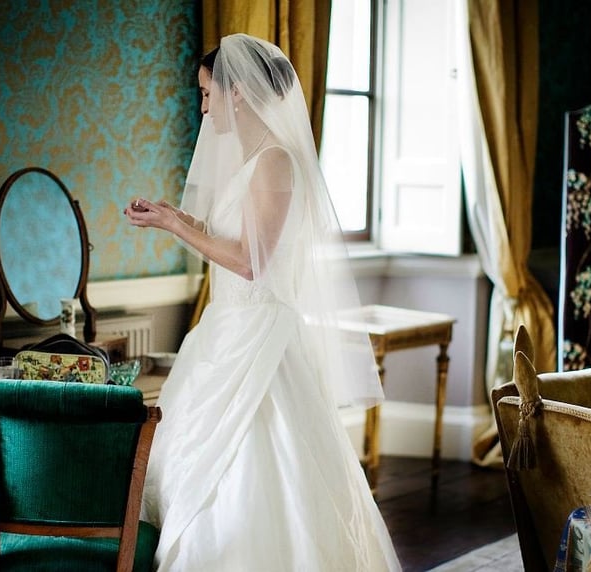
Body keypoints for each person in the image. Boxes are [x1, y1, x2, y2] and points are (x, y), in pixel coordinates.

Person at [124, 33, 401, 571]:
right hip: (224, 330)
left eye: (207, 93)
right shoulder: (250, 161)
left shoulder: (274, 161)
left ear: (238, 92)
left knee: (261, 467)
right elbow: (230, 238)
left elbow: (252, 262)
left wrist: (176, 228)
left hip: (260, 337)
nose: (203, 108)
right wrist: (174, 218)